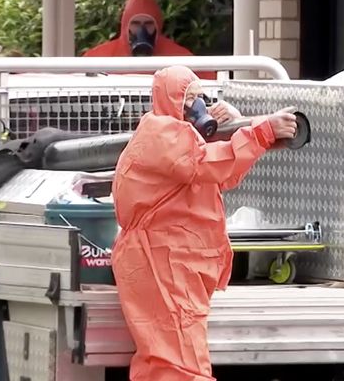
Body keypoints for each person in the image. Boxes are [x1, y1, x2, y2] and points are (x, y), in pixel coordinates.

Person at [111, 65, 297, 380]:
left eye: (200, 97)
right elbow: (208, 165)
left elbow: (223, 175)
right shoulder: (162, 132)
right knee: (179, 365)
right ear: (170, 100)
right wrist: (260, 131)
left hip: (171, 262)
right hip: (163, 262)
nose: (197, 105)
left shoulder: (178, 136)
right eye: (189, 98)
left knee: (168, 360)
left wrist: (244, 130)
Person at [83, 0, 216, 80]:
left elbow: (211, 81)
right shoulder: (101, 56)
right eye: (135, 23)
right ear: (125, 26)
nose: (142, 30)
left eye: (148, 24)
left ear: (158, 26)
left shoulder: (177, 57)